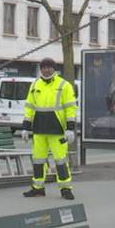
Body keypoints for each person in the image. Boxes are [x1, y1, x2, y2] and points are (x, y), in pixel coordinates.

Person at [21, 58, 77, 200]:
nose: (46, 70)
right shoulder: (35, 84)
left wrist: (70, 128)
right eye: (43, 67)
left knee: (60, 161)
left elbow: (71, 108)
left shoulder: (64, 85)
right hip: (39, 130)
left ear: (54, 69)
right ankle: (38, 188)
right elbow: (29, 107)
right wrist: (26, 128)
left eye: (49, 67)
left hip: (57, 130)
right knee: (38, 161)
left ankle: (65, 189)